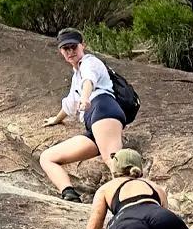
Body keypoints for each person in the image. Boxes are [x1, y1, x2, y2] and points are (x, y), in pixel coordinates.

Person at [38, 29, 128, 196]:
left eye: (74, 47)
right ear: (61, 51)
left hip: (103, 109)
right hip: (93, 124)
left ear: (83, 46)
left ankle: (137, 200)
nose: (70, 52)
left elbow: (89, 80)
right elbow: (71, 103)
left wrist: (85, 98)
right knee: (47, 158)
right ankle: (69, 193)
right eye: (66, 49)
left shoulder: (90, 62)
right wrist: (56, 119)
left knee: (114, 162)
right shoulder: (75, 75)